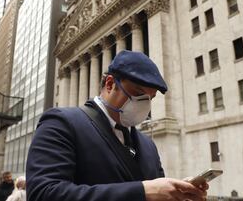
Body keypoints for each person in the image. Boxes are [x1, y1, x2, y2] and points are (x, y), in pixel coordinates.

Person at [26, 50, 209, 201]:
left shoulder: (148, 145)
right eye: (137, 94)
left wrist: (176, 192)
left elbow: (155, 192)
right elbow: (43, 194)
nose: (143, 105)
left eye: (149, 99)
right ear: (110, 84)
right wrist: (142, 192)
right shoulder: (61, 123)